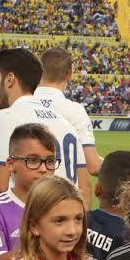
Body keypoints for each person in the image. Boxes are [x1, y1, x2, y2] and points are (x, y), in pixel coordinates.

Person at [0, 47, 88, 197]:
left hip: (29, 214)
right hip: (64, 211)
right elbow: (84, 186)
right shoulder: (66, 124)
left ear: (10, 79)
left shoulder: (8, 116)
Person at [0, 123, 59, 260]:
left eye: (50, 161)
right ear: (11, 164)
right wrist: (49, 247)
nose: (43, 169)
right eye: (33, 160)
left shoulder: (63, 206)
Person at [36, 46, 103, 175]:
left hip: (25, 192)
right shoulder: (75, 111)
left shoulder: (19, 105)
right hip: (60, 191)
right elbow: (93, 165)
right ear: (69, 75)